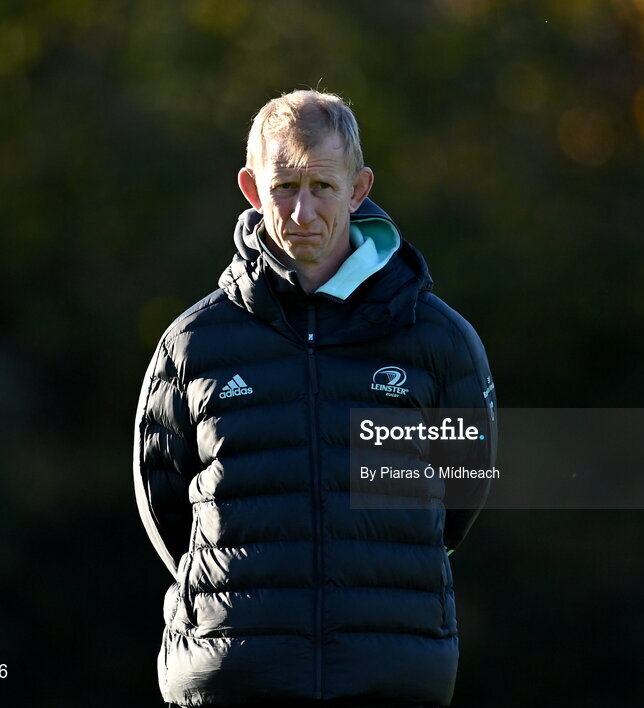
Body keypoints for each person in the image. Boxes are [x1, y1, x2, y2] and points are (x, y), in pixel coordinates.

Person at [133, 89, 497, 708]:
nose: (303, 211)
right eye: (284, 186)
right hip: (234, 678)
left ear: (358, 189)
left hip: (389, 677)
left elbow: (459, 500)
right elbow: (164, 505)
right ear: (252, 189)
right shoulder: (192, 344)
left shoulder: (440, 341)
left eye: (323, 187)